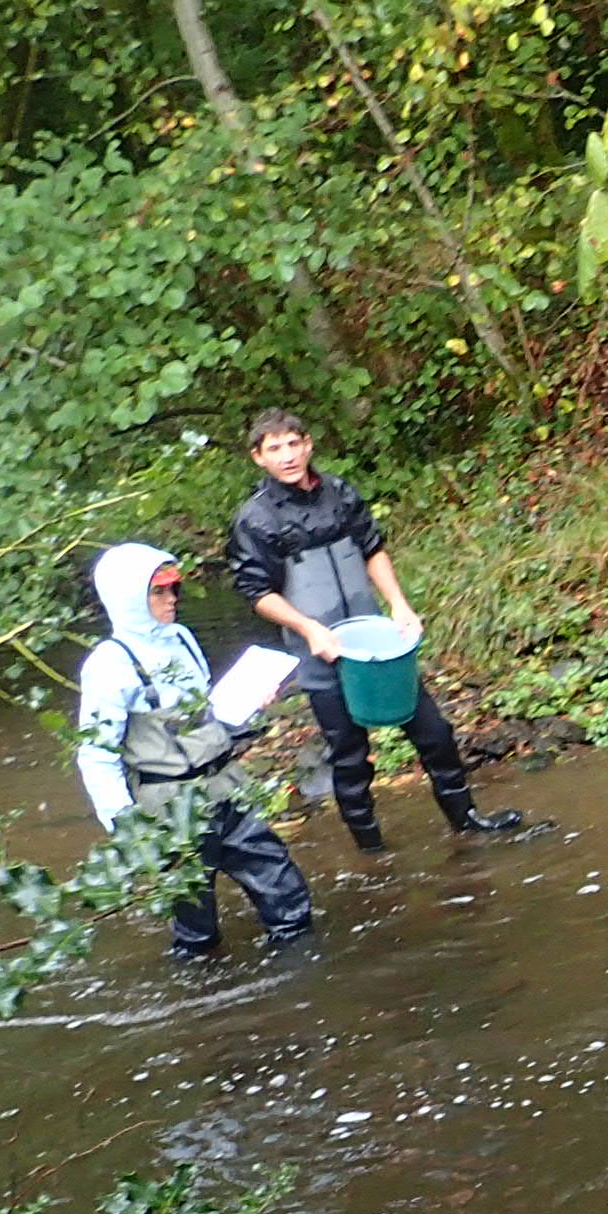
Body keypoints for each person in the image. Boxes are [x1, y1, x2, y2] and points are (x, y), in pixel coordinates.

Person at [224, 408, 521, 852]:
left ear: (308, 445)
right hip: (319, 650)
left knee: (434, 732)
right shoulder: (255, 519)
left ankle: (467, 820)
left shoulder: (339, 492)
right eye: (275, 449)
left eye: (292, 444)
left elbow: (372, 549)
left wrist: (399, 605)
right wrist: (308, 629)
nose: (287, 456)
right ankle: (372, 851)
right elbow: (256, 591)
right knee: (349, 755)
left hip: (376, 642)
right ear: (258, 457)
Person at [74, 542, 314, 960]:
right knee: (195, 930)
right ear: (128, 597)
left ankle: (306, 972)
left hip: (225, 790)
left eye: (175, 589)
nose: (172, 600)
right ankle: (203, 997)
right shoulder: (109, 665)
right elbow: (97, 755)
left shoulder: (181, 637)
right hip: (169, 812)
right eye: (159, 592)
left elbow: (210, 711)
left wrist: (249, 703)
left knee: (284, 891)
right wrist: (126, 829)